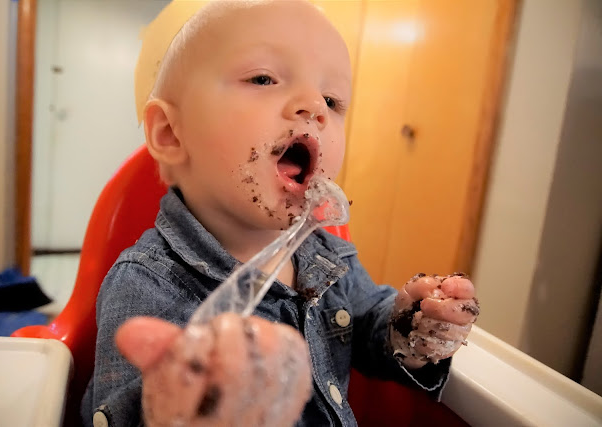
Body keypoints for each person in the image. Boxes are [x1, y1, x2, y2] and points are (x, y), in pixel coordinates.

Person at [81, 1, 479, 426]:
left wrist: (409, 330)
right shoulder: (148, 284)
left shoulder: (328, 256)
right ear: (170, 133)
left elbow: (367, 323)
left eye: (332, 100)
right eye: (263, 78)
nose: (315, 107)